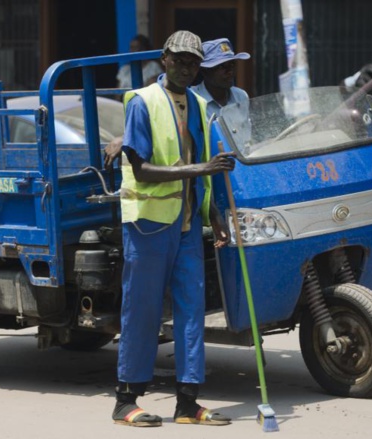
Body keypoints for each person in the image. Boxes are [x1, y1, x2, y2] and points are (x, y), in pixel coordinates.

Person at [112, 30, 236, 428]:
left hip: (185, 226)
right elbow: (142, 170)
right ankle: (125, 401)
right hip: (148, 225)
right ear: (164, 59)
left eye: (193, 62)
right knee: (143, 311)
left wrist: (213, 213)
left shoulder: (199, 105)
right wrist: (201, 169)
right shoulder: (142, 102)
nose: (186, 68)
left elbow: (204, 163)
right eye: (180, 60)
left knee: (190, 313)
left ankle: (187, 403)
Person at [105, 38, 251, 167]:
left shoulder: (241, 96)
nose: (229, 71)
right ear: (205, 71)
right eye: (222, 67)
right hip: (210, 173)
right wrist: (124, 138)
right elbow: (162, 123)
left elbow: (250, 139)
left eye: (232, 65)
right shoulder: (193, 99)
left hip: (242, 171)